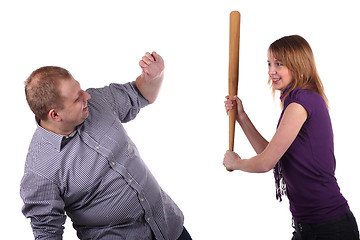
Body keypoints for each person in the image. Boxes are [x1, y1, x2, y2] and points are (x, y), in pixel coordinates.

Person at [20, 52, 192, 240]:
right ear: (55, 115)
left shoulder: (98, 101)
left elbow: (141, 94)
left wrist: (154, 76)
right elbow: (47, 234)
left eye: (80, 89)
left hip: (169, 227)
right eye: (76, 98)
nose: (86, 96)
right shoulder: (40, 171)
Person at [223, 35, 359, 239]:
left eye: (279, 64)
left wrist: (236, 162)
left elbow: (265, 163)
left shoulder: (301, 102)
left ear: (298, 65)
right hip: (306, 227)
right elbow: (271, 154)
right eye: (269, 63)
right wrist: (241, 116)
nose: (271, 71)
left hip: (330, 228)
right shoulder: (296, 100)